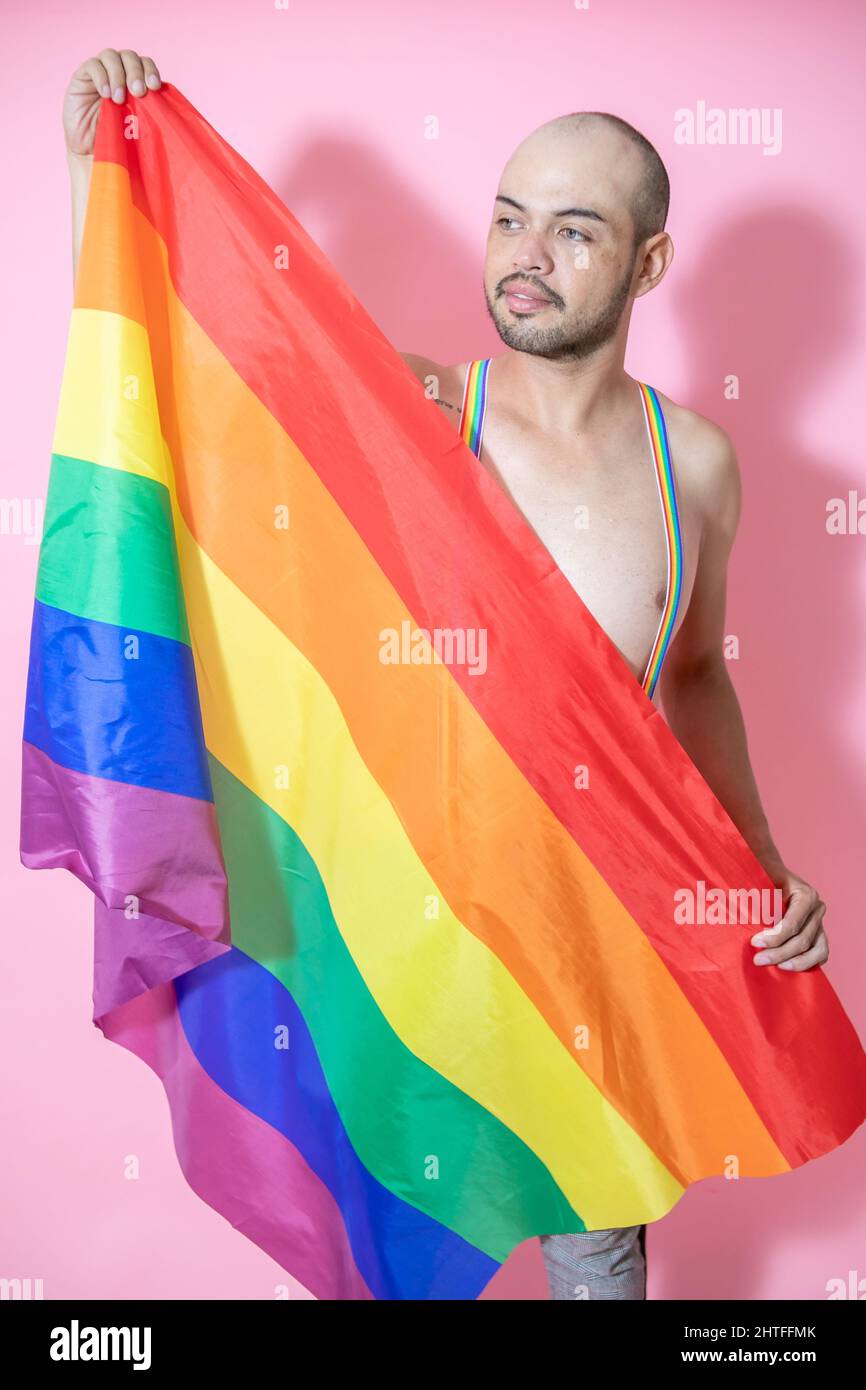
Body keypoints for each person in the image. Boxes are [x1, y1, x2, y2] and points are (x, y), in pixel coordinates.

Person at [62, 51, 831, 1303]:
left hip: (599, 943)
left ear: (647, 267)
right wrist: (116, 170)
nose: (524, 251)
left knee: (601, 1256)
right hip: (404, 946)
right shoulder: (418, 415)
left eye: (573, 229)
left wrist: (755, 863)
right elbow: (204, 369)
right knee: (389, 1248)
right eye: (507, 216)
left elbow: (692, 679)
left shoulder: (693, 466)